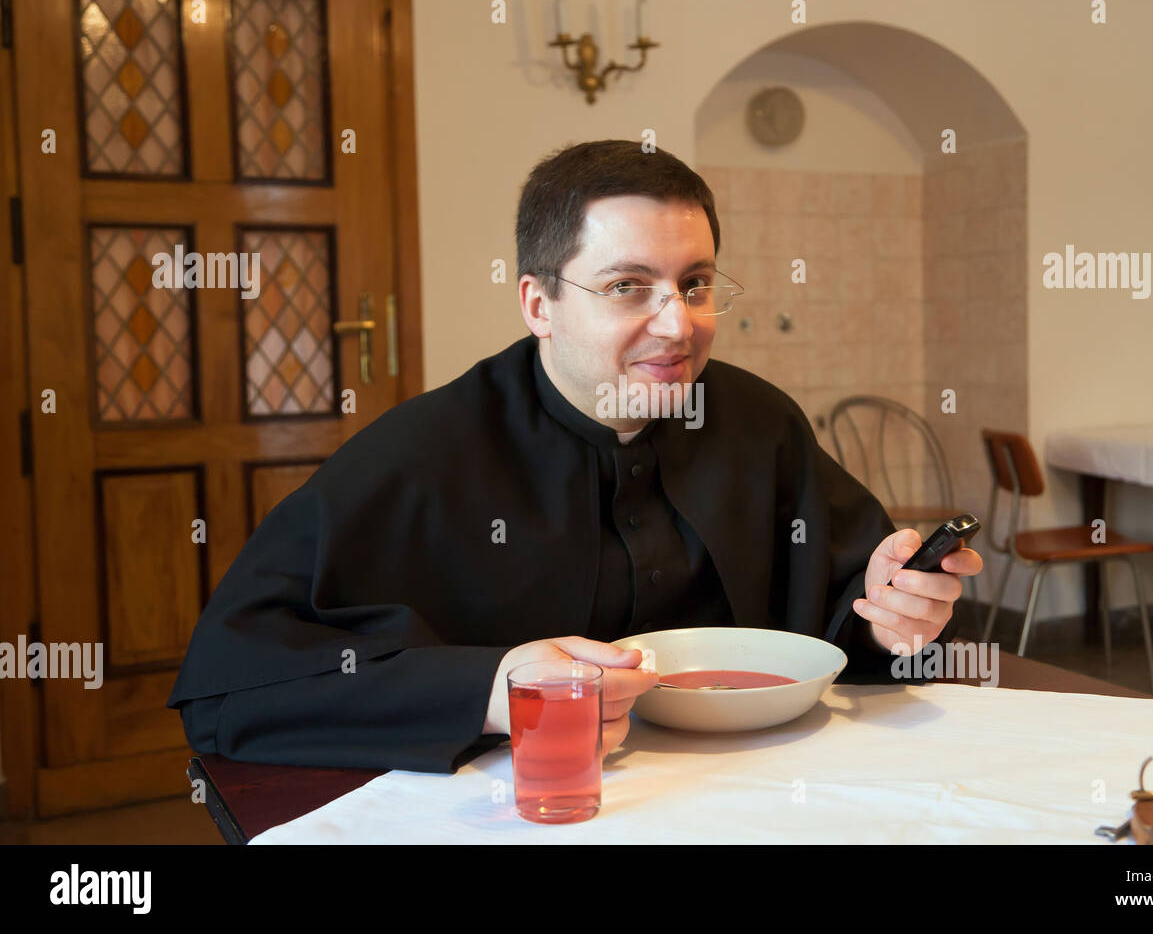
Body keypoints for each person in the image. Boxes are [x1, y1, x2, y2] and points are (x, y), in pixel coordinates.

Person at [167, 139, 983, 773]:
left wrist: (899, 618)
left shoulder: (758, 421)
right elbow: (231, 687)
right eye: (629, 286)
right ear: (539, 303)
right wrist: (490, 690)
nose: (678, 324)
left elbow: (848, 621)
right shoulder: (421, 456)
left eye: (695, 284)